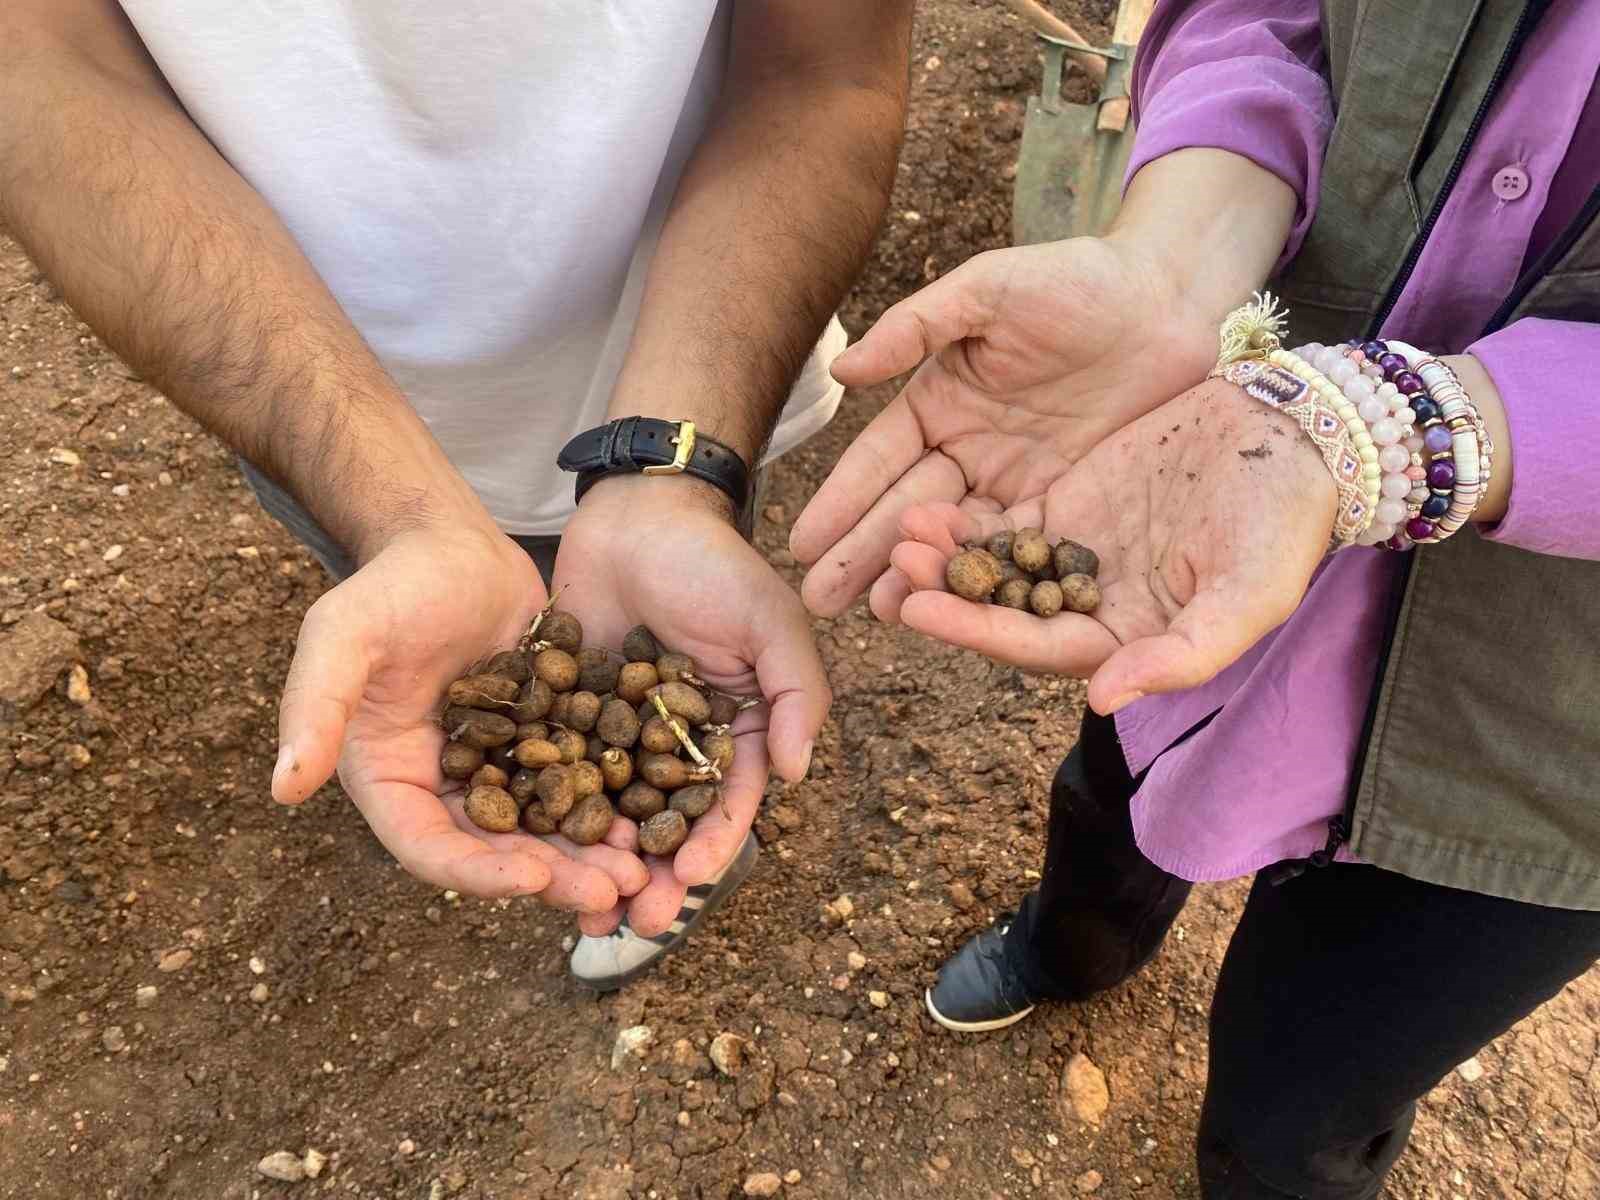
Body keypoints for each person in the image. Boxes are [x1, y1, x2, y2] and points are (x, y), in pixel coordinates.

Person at [794, 0, 1600, 1195]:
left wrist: (1392, 433)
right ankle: (1072, 948)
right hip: (1203, 488)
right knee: (1116, 796)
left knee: (1301, 1104)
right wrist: (1180, 251)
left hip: (1544, 733)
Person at [0, 0, 911, 987]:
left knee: (677, 639)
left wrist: (672, 480)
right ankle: (410, 592)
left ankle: (662, 871)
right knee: (387, 591)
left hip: (697, 369)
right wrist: (397, 515)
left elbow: (825, 72)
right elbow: (38, 61)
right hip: (293, 375)